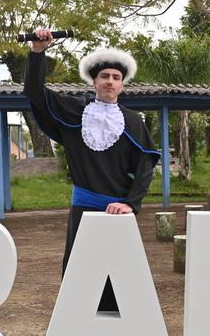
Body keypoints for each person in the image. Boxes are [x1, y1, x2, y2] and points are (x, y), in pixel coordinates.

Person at [23, 28, 160, 315]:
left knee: (122, 277)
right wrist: (37, 53)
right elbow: (36, 93)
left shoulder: (133, 121)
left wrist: (131, 203)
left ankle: (125, 335)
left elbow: (145, 165)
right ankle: (80, 333)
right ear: (94, 82)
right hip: (83, 209)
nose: (110, 81)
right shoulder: (74, 112)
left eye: (116, 77)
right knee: (80, 273)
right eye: (104, 76)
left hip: (118, 211)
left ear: (122, 86)